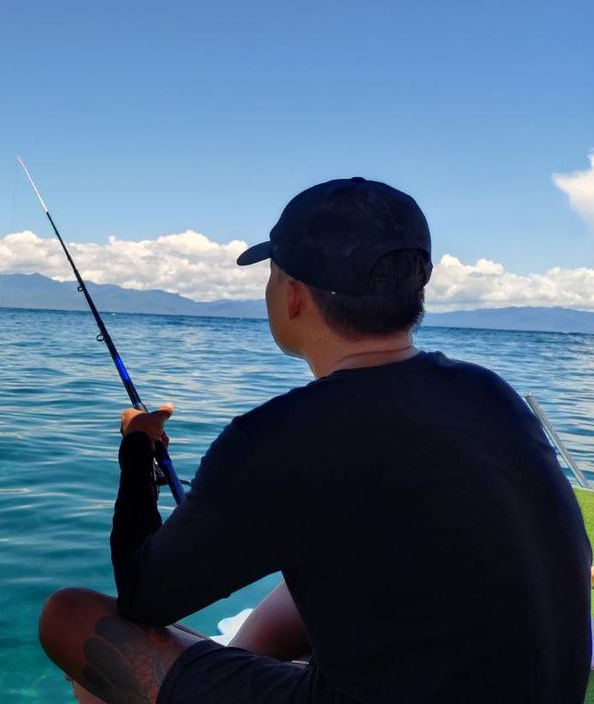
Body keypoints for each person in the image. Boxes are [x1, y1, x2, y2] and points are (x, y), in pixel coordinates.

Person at [37, 177, 592, 703]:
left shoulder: (276, 437)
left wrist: (137, 448)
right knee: (313, 571)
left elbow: (143, 597)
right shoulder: (491, 393)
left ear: (294, 295)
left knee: (71, 617)